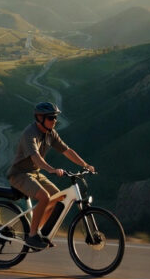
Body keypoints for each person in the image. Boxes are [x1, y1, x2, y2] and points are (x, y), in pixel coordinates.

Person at [6, 101, 95, 250]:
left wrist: (85, 165)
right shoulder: (30, 133)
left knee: (57, 197)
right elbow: (36, 158)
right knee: (44, 197)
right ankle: (32, 236)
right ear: (39, 118)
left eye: (55, 118)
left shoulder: (50, 133)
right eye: (51, 117)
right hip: (19, 174)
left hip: (35, 173)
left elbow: (67, 151)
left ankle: (38, 231)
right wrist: (51, 169)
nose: (54, 121)